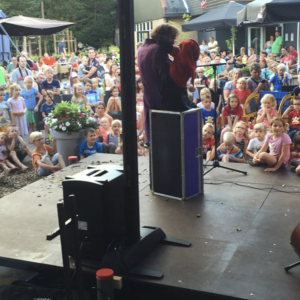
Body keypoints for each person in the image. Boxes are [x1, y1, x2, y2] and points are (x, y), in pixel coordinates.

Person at [138, 23, 179, 142]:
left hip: (149, 98)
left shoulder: (142, 48)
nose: (173, 42)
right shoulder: (158, 49)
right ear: (165, 37)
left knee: (154, 139)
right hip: (163, 101)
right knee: (166, 142)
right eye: (172, 38)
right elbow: (169, 76)